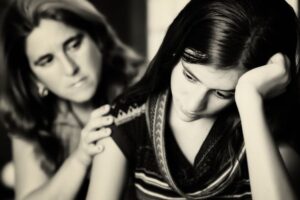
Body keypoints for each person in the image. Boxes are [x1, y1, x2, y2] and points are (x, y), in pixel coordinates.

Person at [87, 0, 300, 199]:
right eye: (189, 76)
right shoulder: (128, 118)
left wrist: (250, 97)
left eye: (222, 93)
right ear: (174, 50)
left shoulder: (269, 132)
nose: (193, 105)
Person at [0, 0, 145, 199]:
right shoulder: (29, 112)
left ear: (97, 38)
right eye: (47, 60)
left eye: (74, 45)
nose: (70, 69)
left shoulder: (143, 86)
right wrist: (80, 159)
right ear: (33, 77)